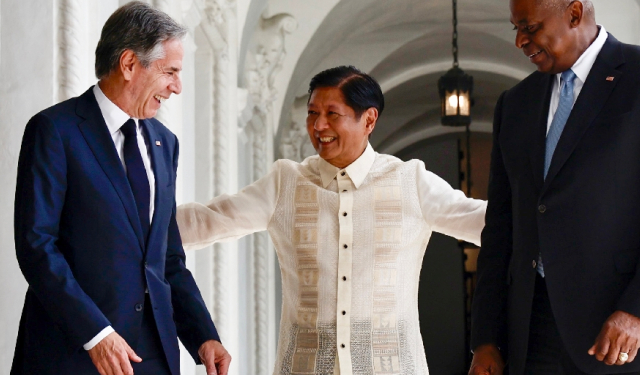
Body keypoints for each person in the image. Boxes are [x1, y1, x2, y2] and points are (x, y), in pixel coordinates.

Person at [177, 65, 487, 374]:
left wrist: (533, 216)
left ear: (369, 119)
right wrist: (135, 227)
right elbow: (209, 220)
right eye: (312, 113)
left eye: (332, 114)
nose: (318, 125)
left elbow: (484, 223)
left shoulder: (410, 182)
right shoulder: (286, 183)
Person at [468, 0, 640, 374]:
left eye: (529, 28)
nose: (520, 41)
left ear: (575, 13)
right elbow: (500, 229)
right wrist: (485, 339)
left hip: (621, 332)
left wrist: (639, 312)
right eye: (516, 28)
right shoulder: (515, 104)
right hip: (533, 337)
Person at [12, 2, 230, 374]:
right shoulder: (55, 130)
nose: (177, 87)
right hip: (74, 353)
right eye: (170, 72)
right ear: (129, 64)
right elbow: (37, 246)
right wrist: (95, 334)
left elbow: (168, 257)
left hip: (153, 357)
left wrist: (202, 335)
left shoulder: (166, 142)